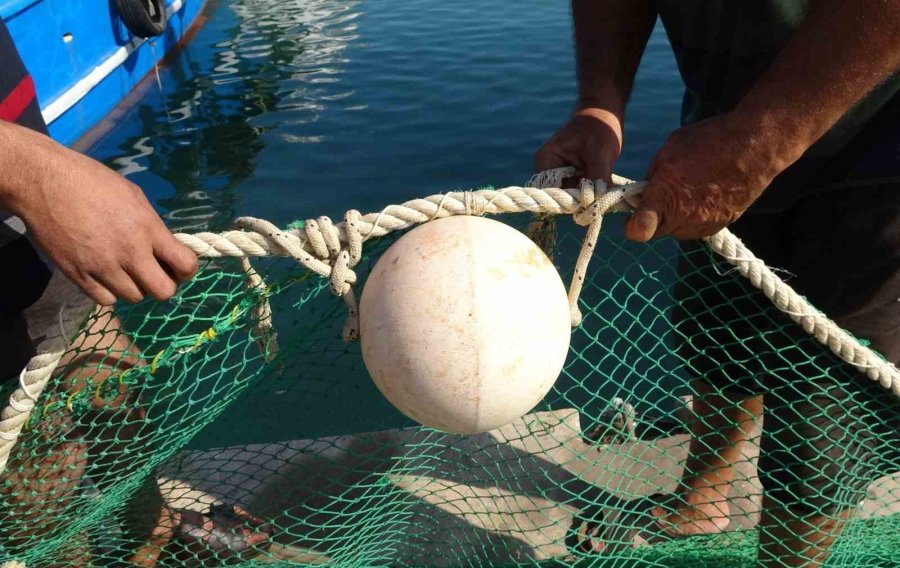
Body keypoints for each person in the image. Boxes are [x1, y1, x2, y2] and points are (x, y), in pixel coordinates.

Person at [536, 1, 900, 567]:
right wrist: (599, 107)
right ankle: (704, 496)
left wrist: (761, 140)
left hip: (880, 162)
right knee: (718, 324)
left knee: (823, 408)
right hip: (721, 117)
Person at [0, 20, 271, 566]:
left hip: (23, 235)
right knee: (42, 460)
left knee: (115, 388)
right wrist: (31, 174)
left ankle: (151, 533)